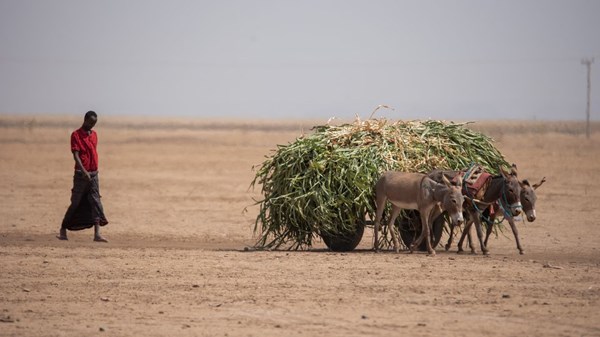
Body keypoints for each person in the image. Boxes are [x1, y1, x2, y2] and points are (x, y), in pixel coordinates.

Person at [57, 110, 109, 242]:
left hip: (94, 174)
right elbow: (76, 155)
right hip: (81, 175)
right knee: (76, 203)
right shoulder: (76, 135)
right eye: (90, 122)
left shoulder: (94, 135)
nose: (92, 125)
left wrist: (92, 172)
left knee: (96, 202)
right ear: (85, 120)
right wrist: (84, 171)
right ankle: (63, 229)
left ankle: (97, 234)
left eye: (94, 123)